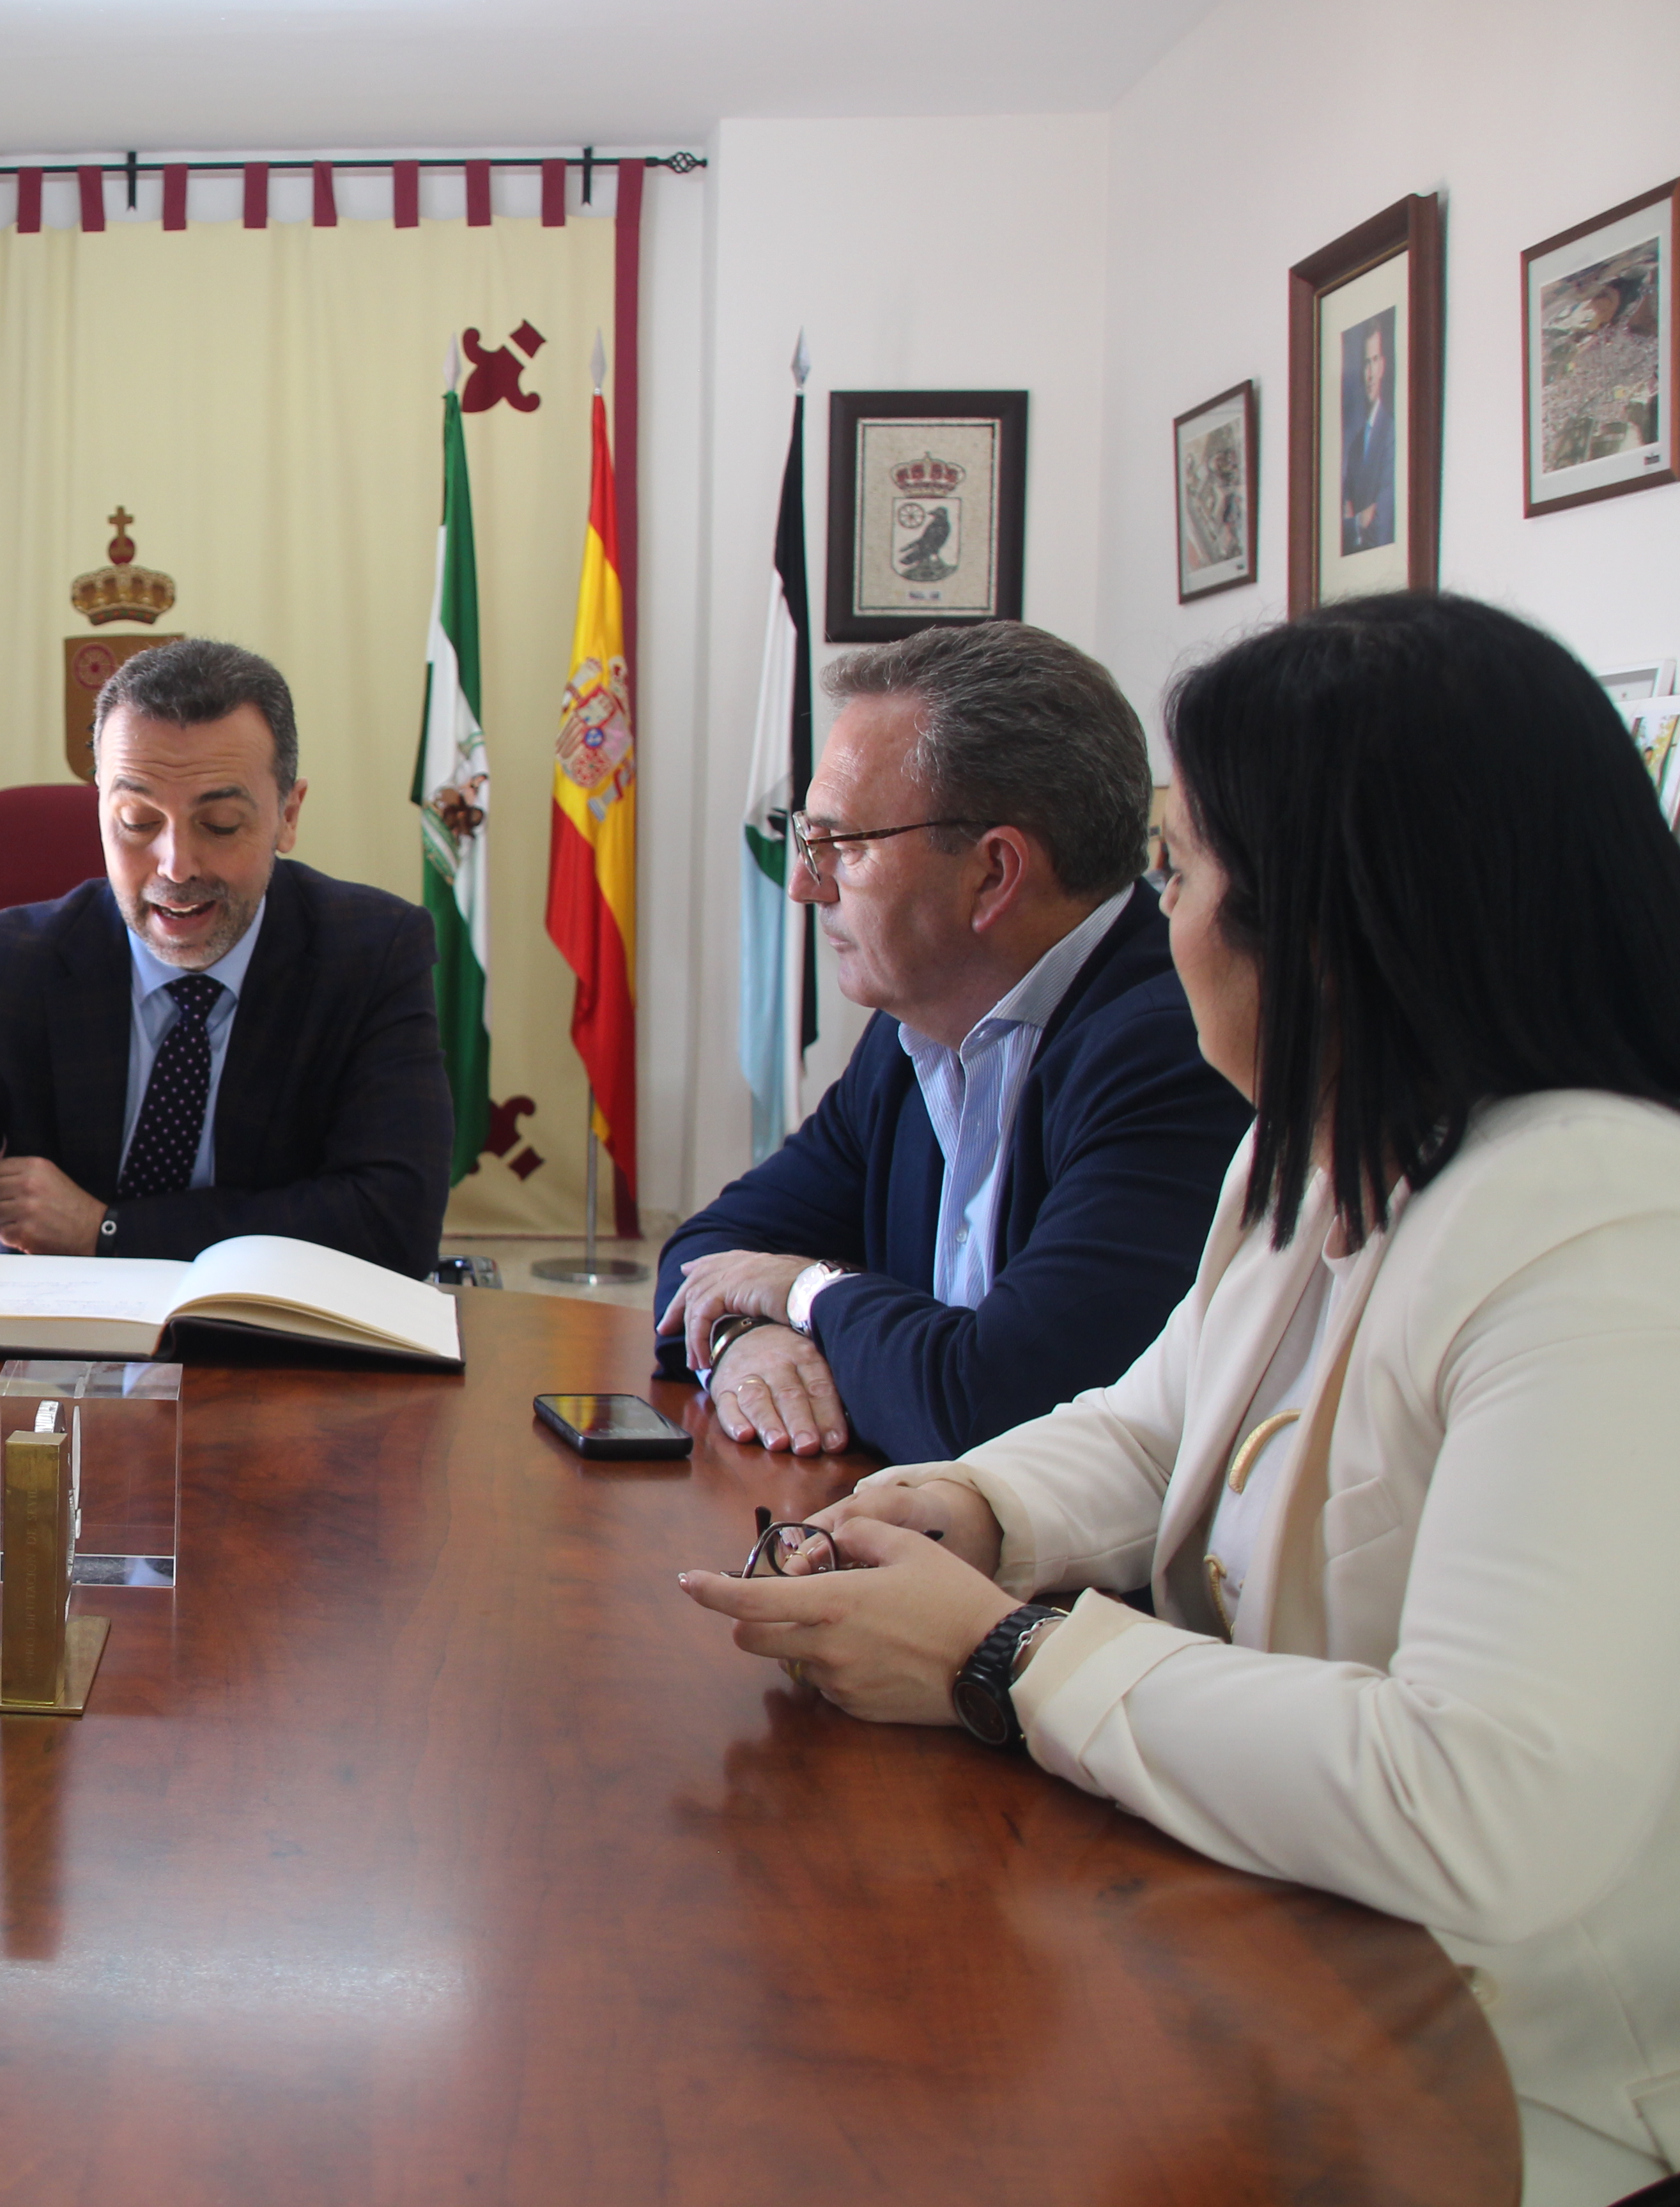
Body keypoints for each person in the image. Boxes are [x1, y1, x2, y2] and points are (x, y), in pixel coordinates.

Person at [679, 594, 1680, 2207]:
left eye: (1181, 869)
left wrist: (1001, 1655)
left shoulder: (1606, 1227)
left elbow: (1489, 1802)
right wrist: (970, 1506)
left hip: (1518, 2093)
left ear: (1336, 914)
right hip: (1285, 1948)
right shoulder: (1322, 1142)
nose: (1163, 923)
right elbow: (1149, 1420)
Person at [654, 622, 1251, 1465]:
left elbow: (994, 1409)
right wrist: (747, 1336)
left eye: (843, 846)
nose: (802, 884)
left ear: (995, 873)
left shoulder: (1170, 1051)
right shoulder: (912, 1028)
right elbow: (709, 1252)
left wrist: (806, 1290)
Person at [0, 638, 452, 1320]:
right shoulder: (4, 965)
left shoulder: (370, 953)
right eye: (137, 823)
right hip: (56, 1349)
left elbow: (392, 1219)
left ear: (289, 815)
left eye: (220, 824)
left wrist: (107, 1230)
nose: (176, 865)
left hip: (284, 1349)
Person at [1341, 316, 1396, 555]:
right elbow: (1345, 519)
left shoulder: (1393, 432)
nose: (1371, 374)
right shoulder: (1354, 447)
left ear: (1383, 366)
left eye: (1375, 361)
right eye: (1365, 364)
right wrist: (1361, 519)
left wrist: (1361, 519)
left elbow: (1383, 520)